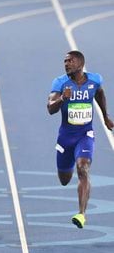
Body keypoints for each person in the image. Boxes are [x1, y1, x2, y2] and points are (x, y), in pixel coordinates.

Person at [47, 50, 113, 228]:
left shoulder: (94, 80)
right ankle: (66, 168)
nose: (66, 64)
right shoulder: (60, 83)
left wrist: (106, 116)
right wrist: (62, 98)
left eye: (70, 61)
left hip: (85, 135)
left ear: (80, 64)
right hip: (65, 138)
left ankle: (81, 214)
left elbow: (99, 94)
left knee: (83, 169)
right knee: (64, 179)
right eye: (65, 61)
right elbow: (50, 108)